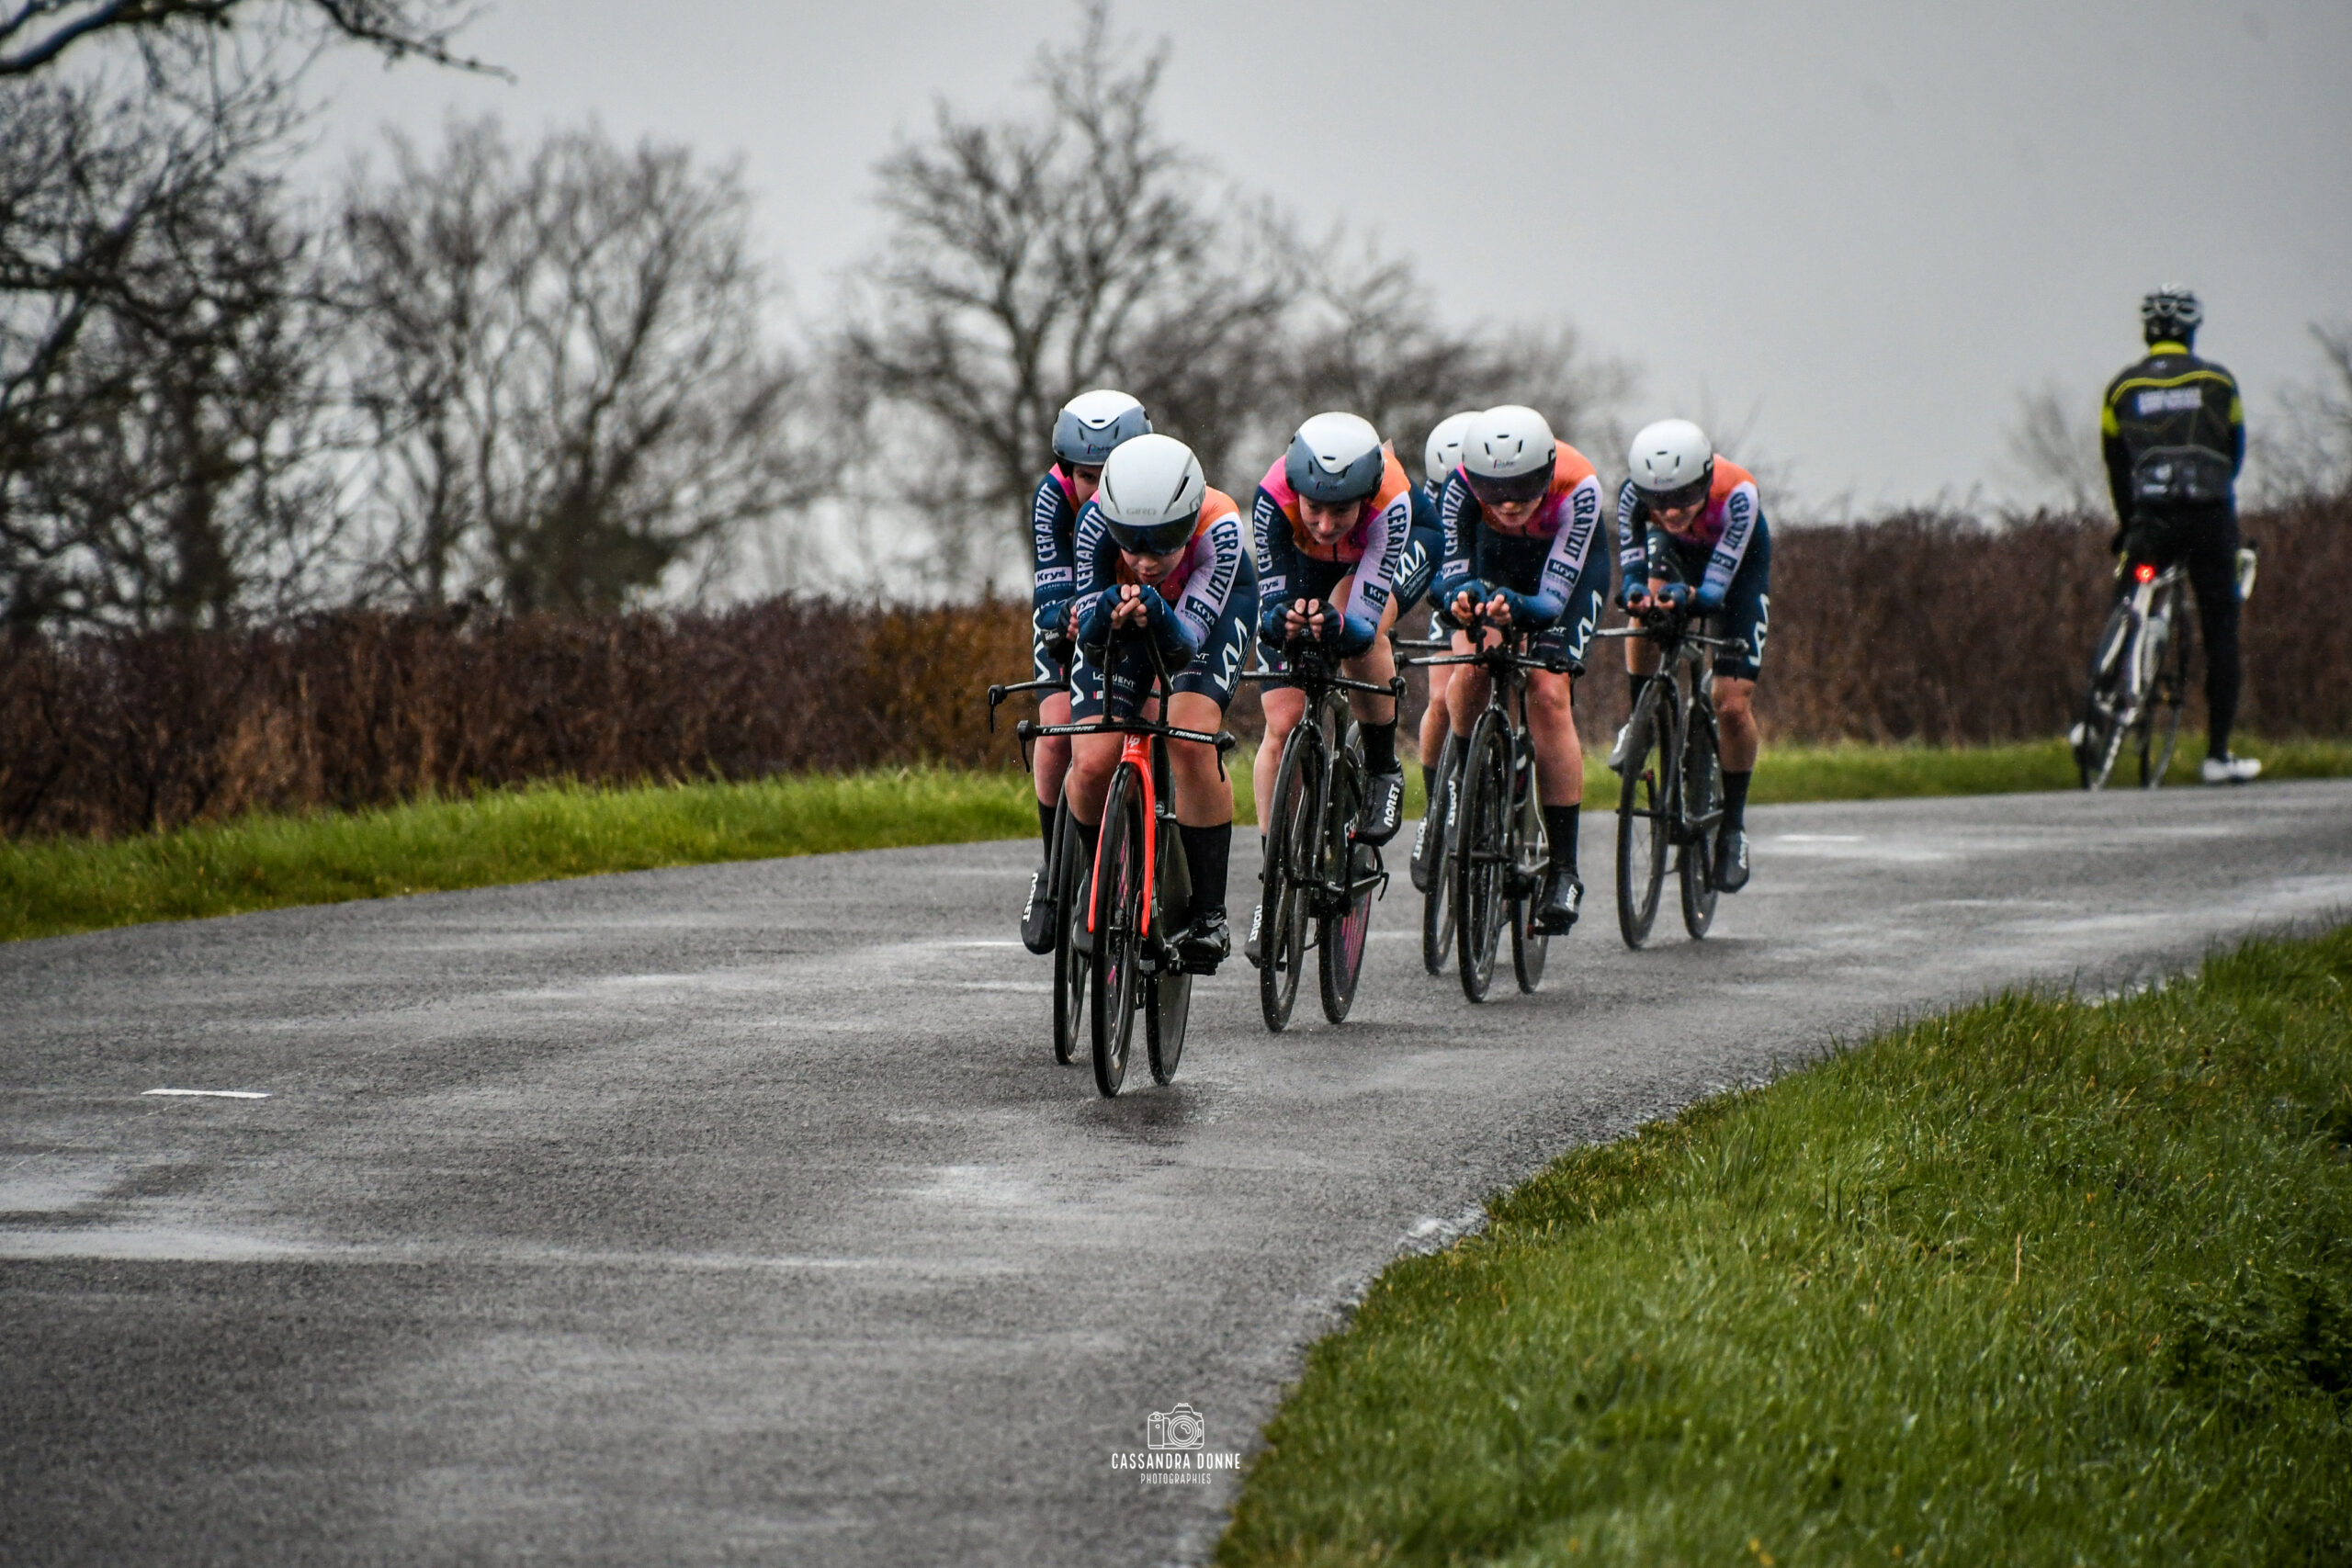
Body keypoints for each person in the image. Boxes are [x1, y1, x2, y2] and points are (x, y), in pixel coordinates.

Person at [1063, 433, 1258, 973]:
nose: (1146, 562)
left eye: (1163, 548)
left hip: (1205, 619)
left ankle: (1210, 913)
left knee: (1190, 738)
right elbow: (1091, 640)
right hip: (1135, 617)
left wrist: (1155, 610)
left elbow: (1183, 646)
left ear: (1188, 524)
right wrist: (1105, 612)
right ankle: (1096, 879)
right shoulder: (1095, 522)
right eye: (1132, 548)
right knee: (1093, 759)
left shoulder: (1220, 527)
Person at [1241, 412, 1415, 965]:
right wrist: (1286, 622)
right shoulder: (1272, 498)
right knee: (1281, 723)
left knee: (1360, 633)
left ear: (1364, 497)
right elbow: (1272, 607)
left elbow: (1360, 622)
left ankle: (1382, 767)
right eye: (1313, 507)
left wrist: (1338, 627)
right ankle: (1274, 882)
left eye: (1341, 510)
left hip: (1371, 564)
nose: (1323, 522)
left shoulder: (1390, 502)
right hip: (1302, 569)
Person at [1433, 404, 1609, 933]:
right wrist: (1460, 597)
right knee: (1472, 668)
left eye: (1524, 492)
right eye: (1495, 494)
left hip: (1564, 581)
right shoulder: (1458, 488)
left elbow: (1550, 602)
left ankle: (1564, 869)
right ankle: (1470, 783)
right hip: (1496, 564)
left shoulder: (1579, 487)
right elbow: (1447, 577)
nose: (1509, 504)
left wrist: (1521, 608)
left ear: (1547, 473)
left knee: (1548, 694)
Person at [2086, 285, 2259, 784]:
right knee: (2220, 630)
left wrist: (2129, 524)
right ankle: (2217, 755)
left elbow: (2117, 466)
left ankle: (2092, 716)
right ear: (2191, 331)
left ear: (2147, 331)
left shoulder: (2122, 388)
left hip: (2153, 520)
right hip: (2208, 518)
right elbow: (2234, 453)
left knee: (2131, 589)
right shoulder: (2218, 382)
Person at [1612, 418, 1770, 893]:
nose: (1671, 510)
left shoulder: (1738, 494)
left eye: (1683, 498)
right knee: (1647, 609)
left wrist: (1692, 597)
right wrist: (1639, 594)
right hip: (1675, 555)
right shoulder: (1632, 498)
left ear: (1705, 480)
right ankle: (1640, 718)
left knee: (1731, 705)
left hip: (1736, 570)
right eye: (1658, 501)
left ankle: (1733, 827)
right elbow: (1633, 572)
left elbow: (1715, 591)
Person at [1020, 389, 1152, 952]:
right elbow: (1051, 591)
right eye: (1086, 477)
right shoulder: (1051, 499)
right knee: (1055, 738)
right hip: (1073, 623)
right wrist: (1067, 619)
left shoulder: (1156, 486)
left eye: (1109, 475)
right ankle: (1055, 871)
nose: (1097, 491)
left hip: (1139, 618)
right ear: (1066, 470)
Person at [1407, 410, 1479, 893]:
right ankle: (1436, 810)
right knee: (1441, 697)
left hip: (1506, 577)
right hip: (1457, 590)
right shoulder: (1436, 496)